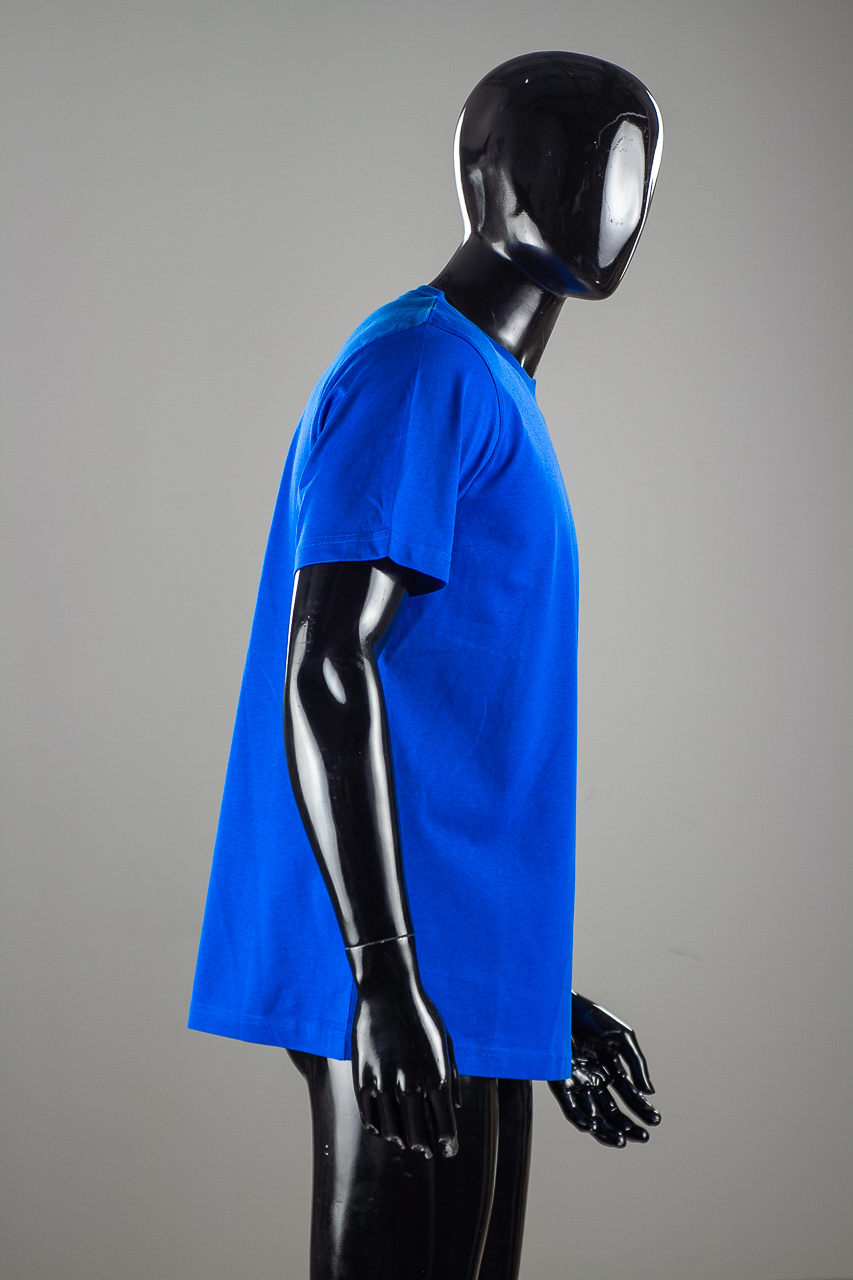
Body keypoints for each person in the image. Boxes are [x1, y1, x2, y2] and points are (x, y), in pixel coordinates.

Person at [189, 51, 664, 1279]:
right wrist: (386, 975)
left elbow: (444, 702)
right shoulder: (419, 368)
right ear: (483, 175)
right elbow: (325, 664)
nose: (605, 199)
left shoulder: (487, 385)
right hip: (396, 963)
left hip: (459, 962)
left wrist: (532, 989)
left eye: (628, 168)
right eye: (568, 160)